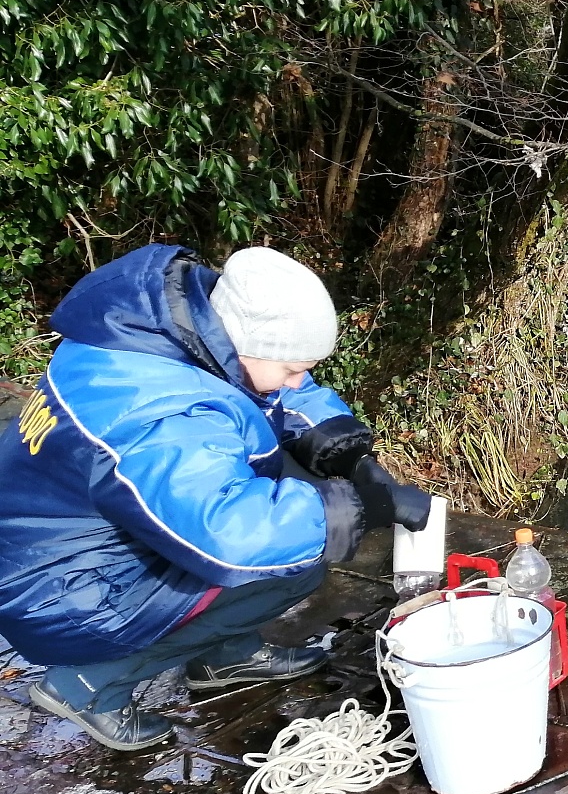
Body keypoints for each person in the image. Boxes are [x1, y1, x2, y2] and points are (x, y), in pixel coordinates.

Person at [0, 244, 430, 751]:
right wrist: (360, 510)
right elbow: (233, 539)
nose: (298, 379)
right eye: (293, 367)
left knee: (298, 491)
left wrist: (349, 457)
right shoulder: (159, 415)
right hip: (57, 592)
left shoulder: (169, 332)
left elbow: (280, 393)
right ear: (243, 344)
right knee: (293, 560)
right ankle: (89, 687)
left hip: (56, 542)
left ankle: (223, 654)